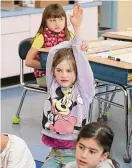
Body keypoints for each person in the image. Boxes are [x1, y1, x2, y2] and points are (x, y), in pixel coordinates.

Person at [41, 3, 95, 168]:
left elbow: (82, 64)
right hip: (54, 152)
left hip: (75, 155)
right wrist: (70, 43)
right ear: (53, 71)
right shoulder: (53, 84)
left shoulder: (83, 90)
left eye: (69, 71)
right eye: (59, 70)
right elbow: (52, 53)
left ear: (77, 72)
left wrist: (77, 35)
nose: (63, 75)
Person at [25, 3, 87, 87]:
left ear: (65, 20)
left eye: (61, 19)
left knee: (83, 81)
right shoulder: (41, 37)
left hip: (65, 74)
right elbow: (28, 61)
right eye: (53, 20)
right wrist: (49, 67)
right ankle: (62, 100)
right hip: (45, 76)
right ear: (45, 22)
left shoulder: (68, 34)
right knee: (74, 84)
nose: (57, 24)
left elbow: (79, 45)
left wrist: (84, 45)